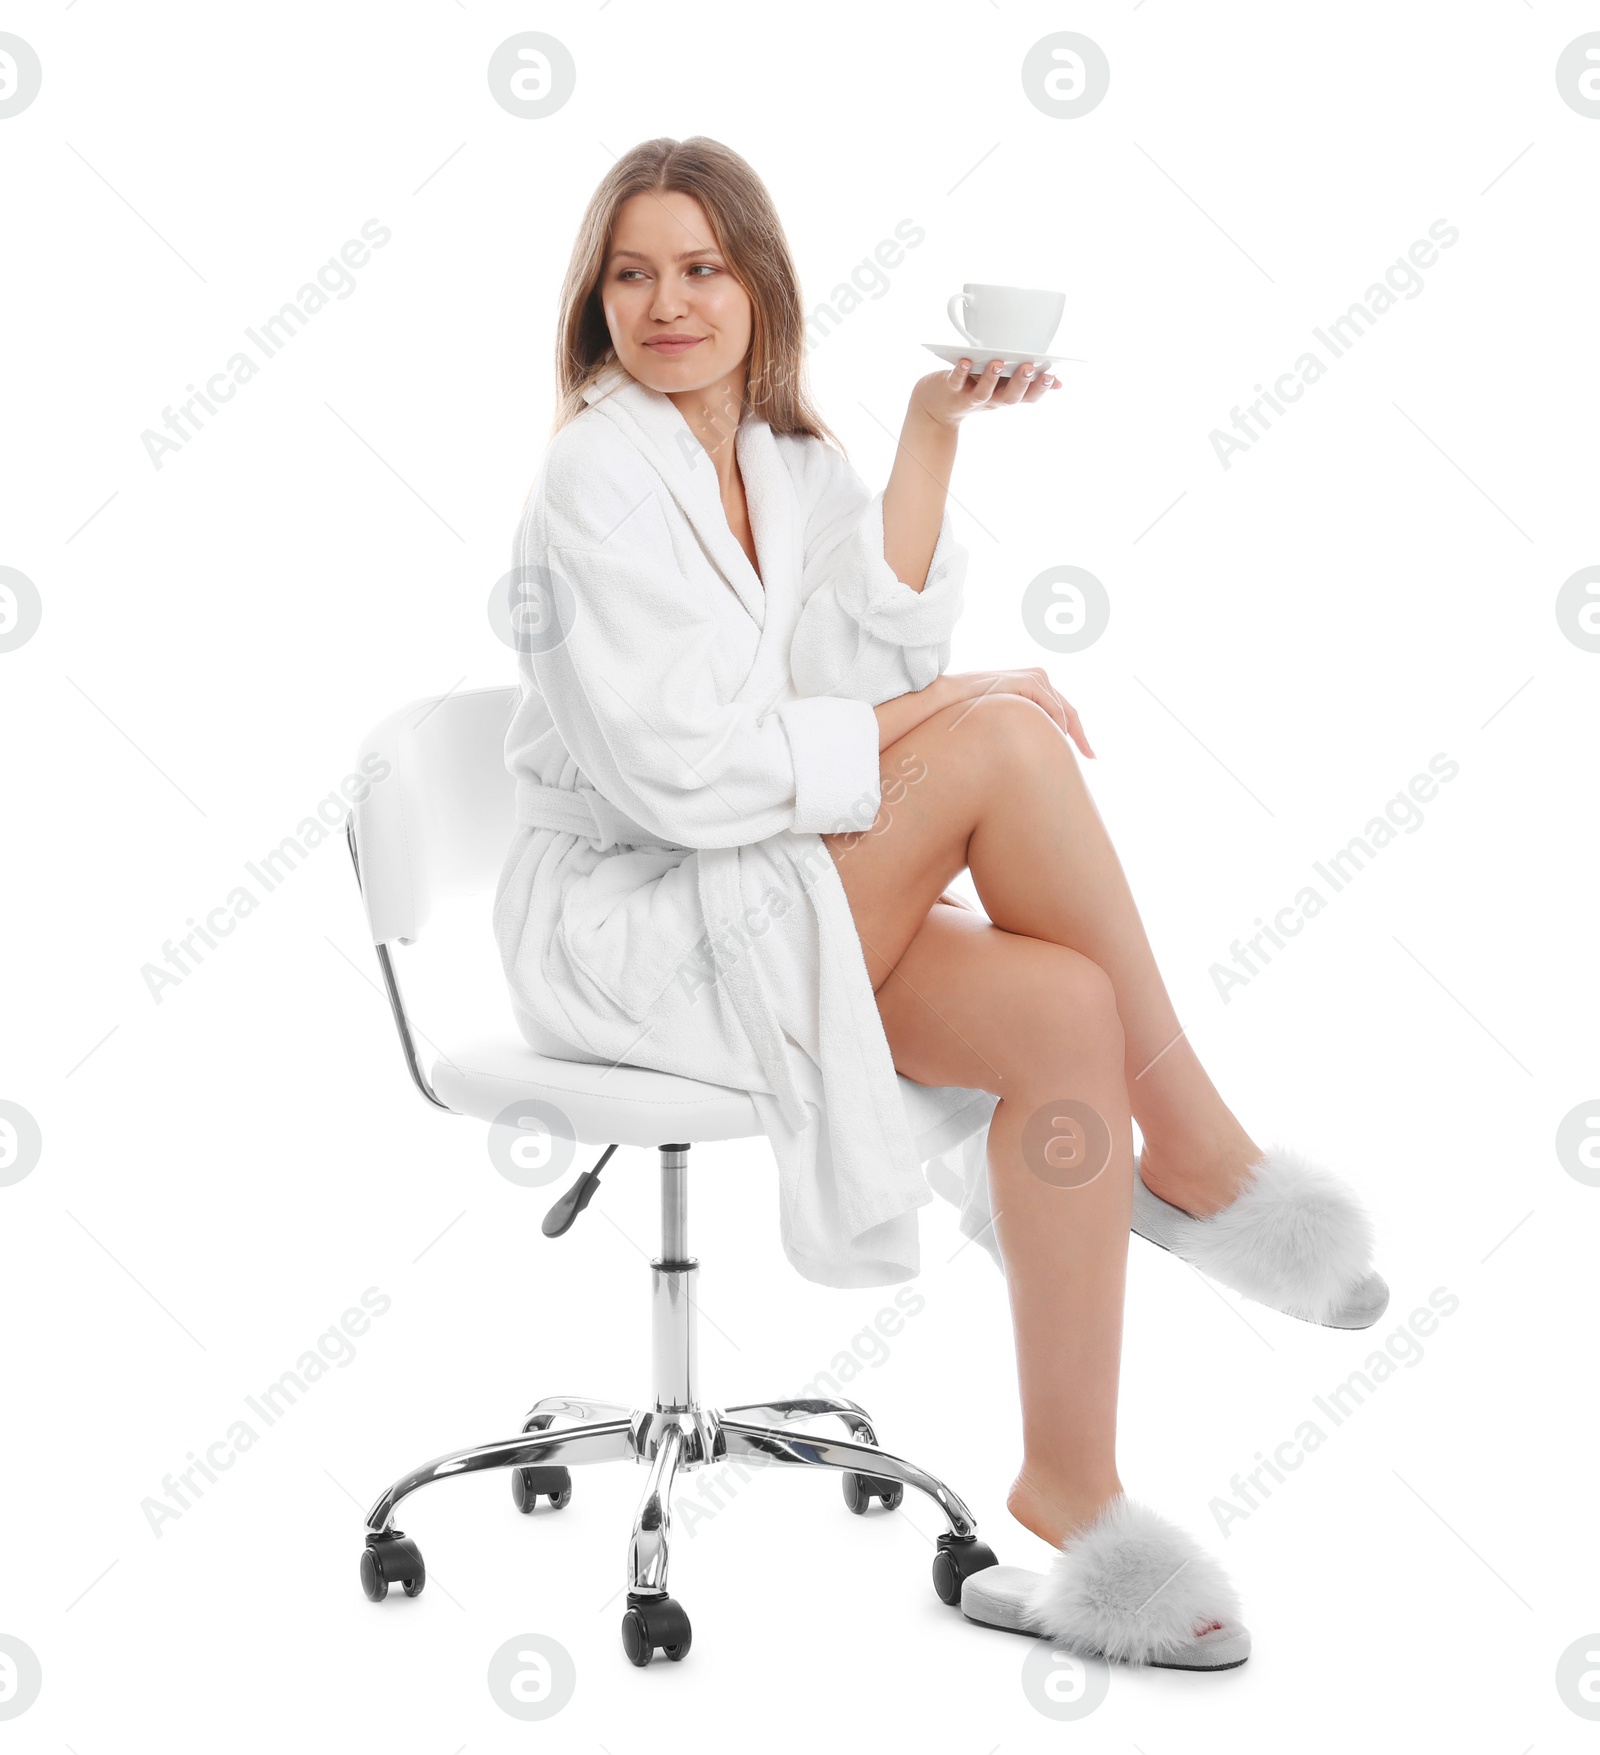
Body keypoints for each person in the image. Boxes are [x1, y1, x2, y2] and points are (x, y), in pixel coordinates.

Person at [494, 135, 1386, 1671]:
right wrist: (965, 703)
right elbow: (688, 778)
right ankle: (1211, 1167)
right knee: (1001, 734)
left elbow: (866, 669)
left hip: (774, 884)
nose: (669, 303)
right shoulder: (594, 472)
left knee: (1066, 1010)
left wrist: (930, 427)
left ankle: (1073, 1485)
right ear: (595, 301)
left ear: (759, 286)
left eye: (702, 267)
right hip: (640, 926)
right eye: (633, 273)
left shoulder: (784, 460)